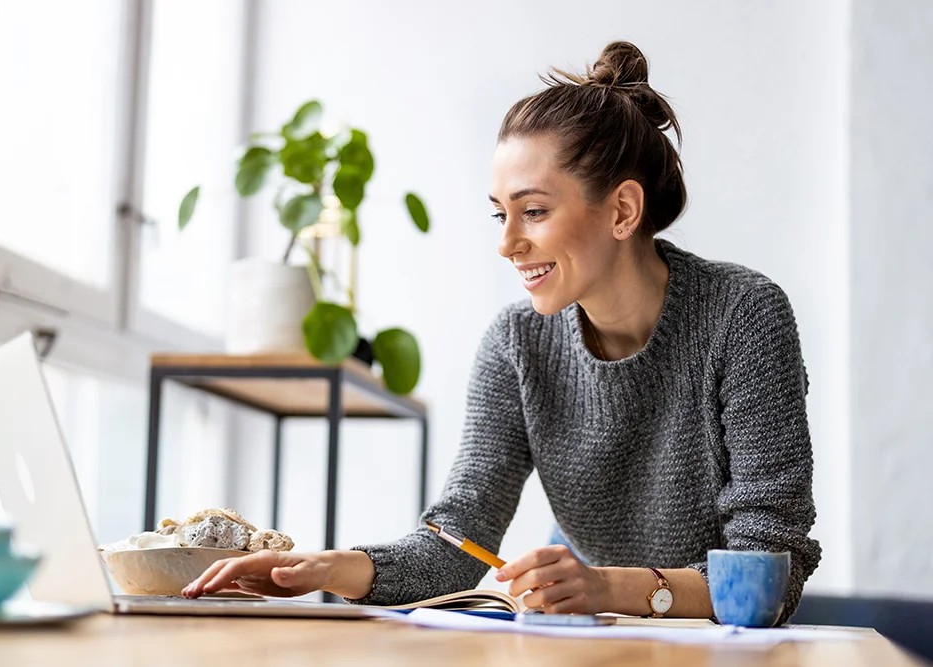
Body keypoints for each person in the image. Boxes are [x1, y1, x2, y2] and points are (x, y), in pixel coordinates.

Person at [183, 41, 821, 623]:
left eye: (534, 212)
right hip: (591, 639)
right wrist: (330, 569)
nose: (508, 244)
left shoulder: (743, 315)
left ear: (623, 210)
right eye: (500, 214)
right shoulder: (517, 343)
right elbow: (460, 541)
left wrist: (605, 588)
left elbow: (769, 574)